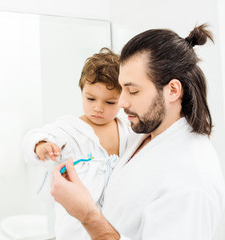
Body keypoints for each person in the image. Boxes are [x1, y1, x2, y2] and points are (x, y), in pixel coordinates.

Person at [51, 24, 225, 240]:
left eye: (133, 91)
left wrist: (87, 214)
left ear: (172, 90)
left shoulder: (191, 180)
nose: (122, 102)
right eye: (122, 89)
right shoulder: (147, 133)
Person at [22, 48, 131, 240]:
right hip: (77, 225)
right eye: (90, 98)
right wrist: (41, 145)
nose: (98, 107)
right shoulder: (70, 129)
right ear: (81, 91)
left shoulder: (127, 128)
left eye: (110, 102)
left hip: (114, 221)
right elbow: (35, 136)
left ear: (122, 99)